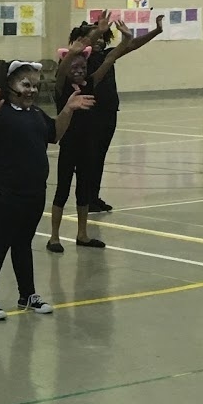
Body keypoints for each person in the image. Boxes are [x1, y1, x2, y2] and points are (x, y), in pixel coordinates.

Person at [0, 60, 95, 320]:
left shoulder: (35, 114)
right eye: (26, 84)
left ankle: (27, 295)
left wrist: (68, 110)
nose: (32, 90)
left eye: (35, 85)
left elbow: (54, 134)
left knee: (23, 243)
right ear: (10, 85)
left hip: (32, 191)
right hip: (0, 191)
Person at [47, 14, 163, 252]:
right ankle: (54, 237)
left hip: (88, 143)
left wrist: (125, 40)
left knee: (83, 191)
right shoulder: (61, 88)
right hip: (69, 145)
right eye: (74, 67)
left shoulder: (91, 81)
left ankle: (82, 234)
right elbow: (61, 71)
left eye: (82, 67)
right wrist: (75, 50)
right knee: (62, 190)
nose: (79, 71)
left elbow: (110, 58)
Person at [82, 17, 162, 212]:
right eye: (96, 37)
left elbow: (132, 45)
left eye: (103, 37)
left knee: (100, 156)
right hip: (90, 114)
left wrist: (156, 31)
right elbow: (84, 47)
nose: (100, 40)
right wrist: (96, 33)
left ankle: (94, 196)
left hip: (109, 112)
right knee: (89, 158)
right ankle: (85, 199)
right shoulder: (82, 58)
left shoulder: (109, 55)